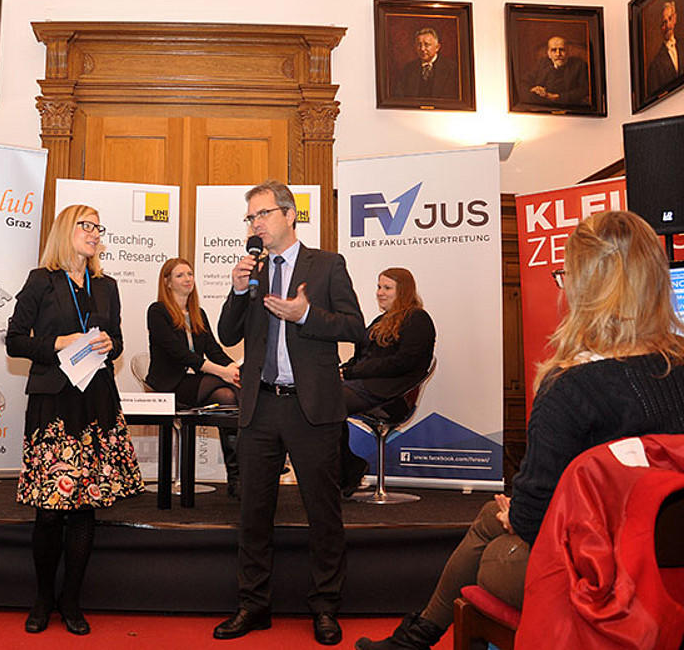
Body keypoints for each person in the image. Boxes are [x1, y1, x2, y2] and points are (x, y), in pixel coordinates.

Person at [354, 210, 684, 650]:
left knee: (495, 551)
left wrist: (516, 514)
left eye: (564, 276)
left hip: (601, 581)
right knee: (490, 521)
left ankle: (420, 636)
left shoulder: (571, 387)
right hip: (669, 564)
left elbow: (532, 520)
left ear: (585, 288)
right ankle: (417, 636)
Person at [213, 180, 365, 646]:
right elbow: (227, 333)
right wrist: (238, 290)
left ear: (289, 215)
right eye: (250, 217)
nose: (255, 224)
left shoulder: (327, 265)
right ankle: (253, 605)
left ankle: (325, 606)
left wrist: (305, 316)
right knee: (253, 512)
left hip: (310, 406)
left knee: (323, 512)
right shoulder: (253, 269)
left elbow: (355, 328)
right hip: (260, 406)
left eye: (262, 214)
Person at [6, 204, 144, 636]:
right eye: (87, 225)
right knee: (49, 511)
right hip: (53, 404)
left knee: (85, 507)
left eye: (98, 227)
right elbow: (15, 341)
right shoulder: (41, 280)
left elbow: (117, 339)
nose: (95, 233)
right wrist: (57, 342)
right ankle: (43, 598)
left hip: (95, 403)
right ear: (66, 230)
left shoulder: (107, 286)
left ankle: (71, 600)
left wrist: (109, 344)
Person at [145, 258, 242, 498]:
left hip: (197, 383)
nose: (188, 279)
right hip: (169, 384)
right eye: (180, 275)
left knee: (229, 397)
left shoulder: (198, 314)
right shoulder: (157, 311)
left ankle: (237, 477)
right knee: (226, 385)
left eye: (189, 274)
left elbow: (214, 350)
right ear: (167, 282)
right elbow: (180, 355)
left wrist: (234, 368)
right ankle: (249, 467)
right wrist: (223, 372)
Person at [340, 268, 435, 496]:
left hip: (390, 394)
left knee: (328, 402)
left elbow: (401, 363)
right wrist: (342, 371)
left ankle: (348, 469)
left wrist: (352, 372)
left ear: (403, 291)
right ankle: (346, 468)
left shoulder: (417, 319)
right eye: (379, 287)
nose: (380, 292)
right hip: (364, 386)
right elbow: (361, 357)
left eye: (387, 288)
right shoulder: (380, 321)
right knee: (319, 399)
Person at [392, 27, 459, 99]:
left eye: (427, 45)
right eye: (419, 45)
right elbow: (399, 98)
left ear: (437, 47)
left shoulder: (452, 69)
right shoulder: (408, 69)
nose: (422, 49)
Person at [521, 36, 589, 106]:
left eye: (562, 50)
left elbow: (584, 90)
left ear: (568, 52)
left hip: (567, 106)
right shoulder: (542, 63)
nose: (558, 54)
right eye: (553, 50)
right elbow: (524, 81)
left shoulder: (580, 65)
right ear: (549, 54)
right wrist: (534, 89)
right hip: (542, 104)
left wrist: (557, 97)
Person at [647, 1, 682, 96]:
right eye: (664, 22)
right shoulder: (655, 65)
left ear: (675, 18)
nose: (668, 26)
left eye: (670, 19)